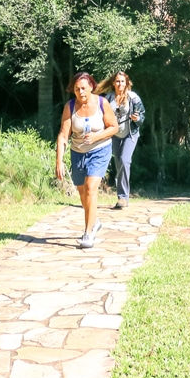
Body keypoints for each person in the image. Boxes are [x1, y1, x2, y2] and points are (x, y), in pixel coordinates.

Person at [56, 71, 119, 248]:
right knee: (83, 192)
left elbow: (113, 127)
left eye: (83, 88)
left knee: (91, 189)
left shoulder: (102, 103)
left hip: (100, 150)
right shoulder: (70, 107)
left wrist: (96, 137)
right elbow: (63, 135)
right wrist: (59, 161)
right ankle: (94, 221)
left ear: (91, 87)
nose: (81, 92)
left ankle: (88, 233)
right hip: (78, 152)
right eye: (77, 89)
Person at [96, 71, 145, 208]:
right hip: (114, 135)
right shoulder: (107, 99)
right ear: (113, 83)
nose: (120, 84)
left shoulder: (133, 98)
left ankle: (123, 198)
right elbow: (102, 117)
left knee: (125, 160)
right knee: (119, 164)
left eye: (122, 81)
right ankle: (121, 196)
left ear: (127, 83)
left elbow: (142, 116)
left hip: (130, 133)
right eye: (117, 81)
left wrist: (137, 119)